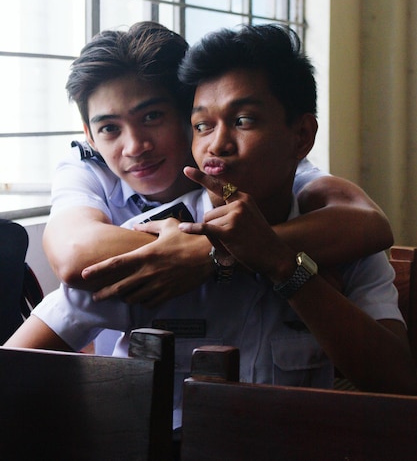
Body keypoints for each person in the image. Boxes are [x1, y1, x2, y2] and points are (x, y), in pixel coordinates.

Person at [6, 23, 416, 429]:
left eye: (243, 121)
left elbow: (398, 384)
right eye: (203, 125)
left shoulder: (336, 242)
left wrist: (280, 265)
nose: (217, 144)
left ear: (301, 135)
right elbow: (17, 364)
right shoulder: (152, 244)